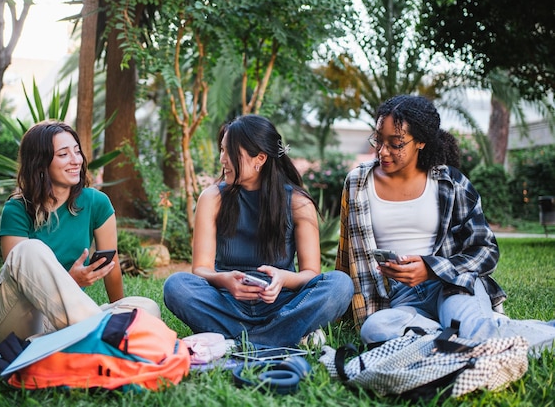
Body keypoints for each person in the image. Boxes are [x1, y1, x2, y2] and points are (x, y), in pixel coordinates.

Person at [337, 94, 555, 352]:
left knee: (468, 326)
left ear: (420, 142)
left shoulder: (451, 183)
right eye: (378, 140)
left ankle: (465, 331)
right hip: (400, 297)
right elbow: (346, 250)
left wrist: (431, 268)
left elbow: (486, 251)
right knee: (375, 330)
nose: (382, 151)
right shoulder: (358, 182)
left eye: (395, 144)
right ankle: (467, 332)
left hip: (452, 284)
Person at [163, 115, 354, 348]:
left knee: (341, 285)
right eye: (221, 150)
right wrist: (225, 279)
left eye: (230, 152)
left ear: (260, 158)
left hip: (282, 304)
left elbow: (310, 273)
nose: (222, 159)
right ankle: (280, 337)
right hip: (227, 302)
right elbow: (200, 269)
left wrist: (283, 278)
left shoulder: (297, 202)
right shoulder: (212, 198)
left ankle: (240, 340)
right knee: (176, 286)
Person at [0, 120, 160, 347]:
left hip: (64, 322)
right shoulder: (17, 208)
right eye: (64, 154)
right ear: (40, 162)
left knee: (145, 309)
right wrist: (72, 280)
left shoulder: (96, 202)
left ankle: (52, 345)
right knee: (29, 250)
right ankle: (103, 339)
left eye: (77, 151)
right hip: (18, 320)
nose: (76, 160)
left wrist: (120, 309)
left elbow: (111, 262)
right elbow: (20, 275)